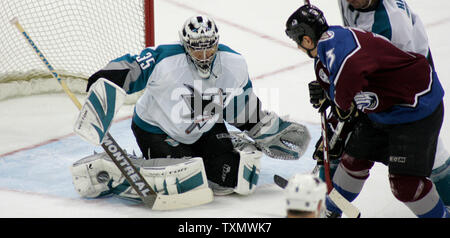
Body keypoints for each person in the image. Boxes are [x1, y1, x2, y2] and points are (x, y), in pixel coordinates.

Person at [70, 15, 311, 201]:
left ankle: (230, 142)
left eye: (209, 46)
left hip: (205, 127)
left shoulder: (234, 64)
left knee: (231, 179)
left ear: (217, 43)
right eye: (197, 47)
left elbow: (240, 108)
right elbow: (132, 67)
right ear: (185, 45)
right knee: (180, 180)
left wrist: (270, 129)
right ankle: (117, 166)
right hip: (156, 129)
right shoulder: (165, 59)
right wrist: (105, 80)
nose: (204, 54)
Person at [285, 4, 449, 218]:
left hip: (414, 109)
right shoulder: (330, 46)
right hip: (383, 107)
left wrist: (337, 113)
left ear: (306, 41)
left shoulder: (386, 25)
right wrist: (328, 94)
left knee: (406, 184)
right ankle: (330, 210)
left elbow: (347, 88)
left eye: (297, 42)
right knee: (353, 160)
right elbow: (345, 90)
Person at [336, 0, 450, 209]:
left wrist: (347, 90)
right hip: (383, 68)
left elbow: (397, 80)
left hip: (412, 80)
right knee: (346, 148)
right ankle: (330, 202)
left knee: (425, 156)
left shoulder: (391, 26)